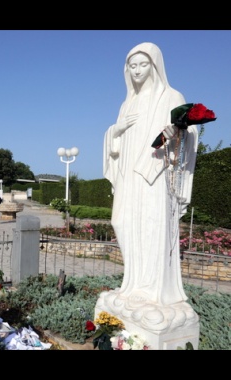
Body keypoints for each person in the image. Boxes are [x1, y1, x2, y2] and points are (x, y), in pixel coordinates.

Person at [98, 43, 199, 330]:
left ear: (154, 66)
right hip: (129, 175)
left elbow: (189, 136)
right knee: (121, 222)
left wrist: (177, 132)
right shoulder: (126, 103)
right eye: (132, 66)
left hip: (155, 175)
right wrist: (113, 132)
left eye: (143, 64)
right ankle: (132, 285)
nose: (137, 70)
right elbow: (115, 142)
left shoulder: (171, 96)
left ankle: (153, 292)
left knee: (152, 227)